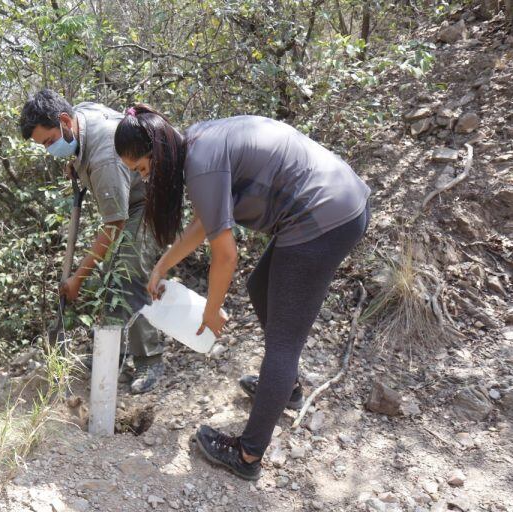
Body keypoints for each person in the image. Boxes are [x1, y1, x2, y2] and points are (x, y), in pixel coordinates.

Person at [114, 106, 370, 479]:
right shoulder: (198, 144)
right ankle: (285, 389)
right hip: (333, 201)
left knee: (284, 344)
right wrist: (162, 264)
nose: (145, 177)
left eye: (141, 168)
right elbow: (205, 221)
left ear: (159, 153)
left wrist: (212, 311)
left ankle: (248, 455)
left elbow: (225, 254)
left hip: (324, 215)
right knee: (260, 286)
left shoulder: (201, 166)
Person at [19, 90, 165, 394]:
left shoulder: (104, 158)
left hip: (150, 199)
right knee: (112, 269)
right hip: (131, 196)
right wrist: (74, 159)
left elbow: (115, 223)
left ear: (64, 122)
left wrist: (78, 278)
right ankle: (115, 353)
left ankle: (149, 359)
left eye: (48, 142)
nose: (49, 150)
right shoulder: (80, 117)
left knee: (128, 270)